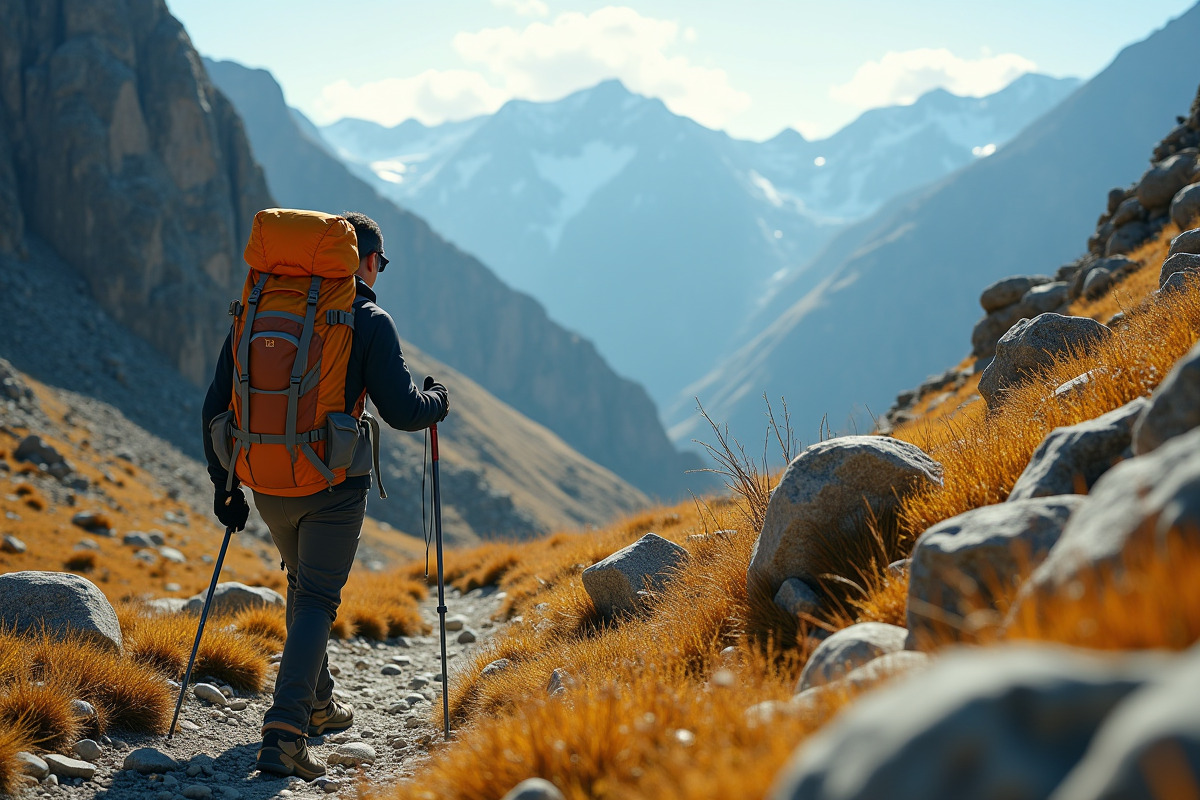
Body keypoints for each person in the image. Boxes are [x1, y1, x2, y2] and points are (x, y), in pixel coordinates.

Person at [201, 211, 448, 780]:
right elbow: (405, 411)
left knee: (300, 584)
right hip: (332, 486)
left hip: (265, 481)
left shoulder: (257, 308)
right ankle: (284, 734)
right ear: (363, 260)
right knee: (315, 599)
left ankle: (317, 703)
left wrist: (225, 487)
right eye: (379, 262)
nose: (379, 271)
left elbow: (216, 404)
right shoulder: (367, 318)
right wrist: (438, 400)